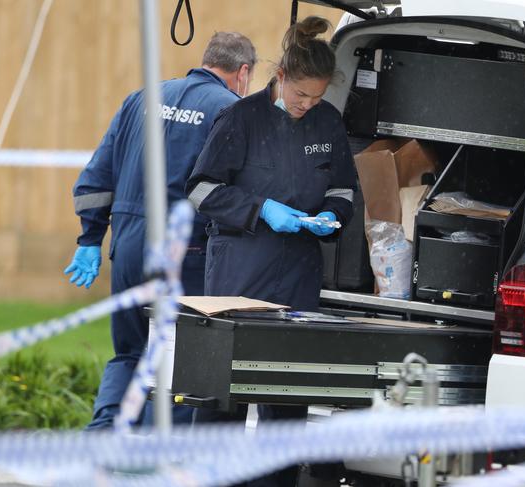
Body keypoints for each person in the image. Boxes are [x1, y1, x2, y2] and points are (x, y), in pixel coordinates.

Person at [185, 16, 356, 486]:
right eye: (301, 94)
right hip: (239, 277)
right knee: (225, 400)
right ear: (280, 76)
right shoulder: (239, 118)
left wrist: (331, 217)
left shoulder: (328, 123)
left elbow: (344, 189)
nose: (307, 104)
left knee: (287, 400)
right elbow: (200, 189)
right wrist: (260, 209)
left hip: (298, 278)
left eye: (316, 97)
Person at [64, 32, 257, 430]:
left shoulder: (141, 98)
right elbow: (235, 194)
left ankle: (102, 440)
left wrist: (89, 239)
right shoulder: (231, 110)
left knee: (130, 353)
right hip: (184, 255)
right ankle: (153, 460)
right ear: (243, 72)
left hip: (129, 248)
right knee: (176, 361)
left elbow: (94, 181)